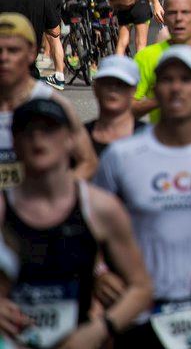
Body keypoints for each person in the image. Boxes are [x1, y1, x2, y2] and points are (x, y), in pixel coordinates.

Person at [94, 46, 191, 348]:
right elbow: (90, 223)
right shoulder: (121, 155)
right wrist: (98, 272)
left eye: (186, 80)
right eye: (167, 79)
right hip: (141, 312)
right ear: (154, 88)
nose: (177, 88)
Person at [0, 97, 152, 349]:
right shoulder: (3, 209)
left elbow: (141, 287)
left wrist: (101, 328)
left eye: (49, 129)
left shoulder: (99, 208)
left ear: (71, 139)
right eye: (28, 131)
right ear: (14, 142)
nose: (39, 139)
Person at [0, 13, 98, 184]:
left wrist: (55, 195)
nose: (4, 58)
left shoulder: (52, 103)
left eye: (13, 50)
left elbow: (87, 162)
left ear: (31, 53)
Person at [85, 55, 147, 156]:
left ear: (133, 90)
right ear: (96, 88)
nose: (113, 89)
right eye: (107, 83)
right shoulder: (78, 138)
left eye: (121, 84)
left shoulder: (150, 138)